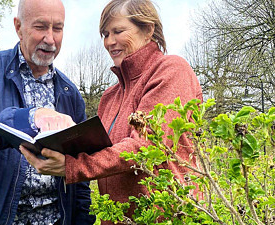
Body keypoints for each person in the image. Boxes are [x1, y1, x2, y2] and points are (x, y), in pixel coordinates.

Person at [20, 0, 203, 224]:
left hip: (165, 217)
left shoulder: (171, 71)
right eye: (105, 34)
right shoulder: (109, 97)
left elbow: (145, 146)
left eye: (118, 31)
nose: (110, 42)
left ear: (148, 30)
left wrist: (72, 166)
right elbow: (101, 153)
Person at [0, 0, 95, 224]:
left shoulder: (71, 94)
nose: (50, 39)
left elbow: (79, 171)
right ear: (18, 27)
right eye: (40, 27)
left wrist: (82, 219)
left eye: (57, 28)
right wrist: (30, 117)